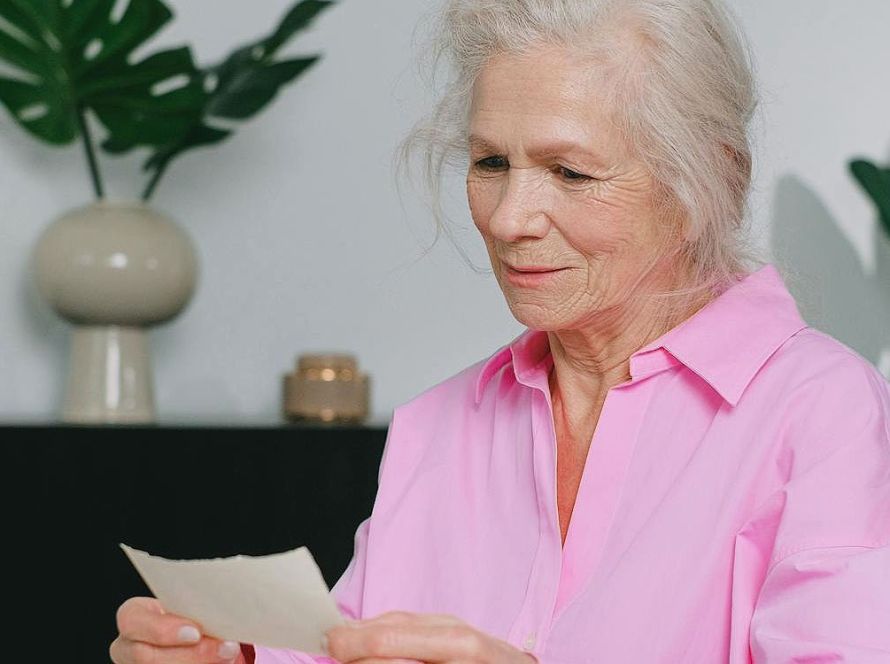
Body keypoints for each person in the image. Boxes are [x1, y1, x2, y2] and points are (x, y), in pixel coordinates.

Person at [110, 0, 890, 662]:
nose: (511, 220)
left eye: (571, 172)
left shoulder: (824, 413)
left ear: (712, 180)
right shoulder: (440, 425)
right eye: (489, 163)